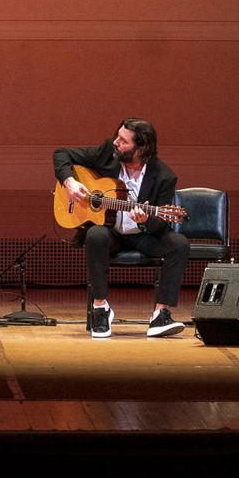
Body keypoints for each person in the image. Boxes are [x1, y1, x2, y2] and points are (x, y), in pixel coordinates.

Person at [54, 119, 188, 339]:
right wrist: (70, 182)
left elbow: (161, 222)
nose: (115, 142)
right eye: (117, 136)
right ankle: (100, 308)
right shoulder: (108, 152)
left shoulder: (164, 176)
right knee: (95, 235)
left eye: (123, 141)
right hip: (111, 233)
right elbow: (61, 154)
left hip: (143, 236)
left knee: (179, 244)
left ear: (141, 148)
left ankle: (160, 314)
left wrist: (145, 219)